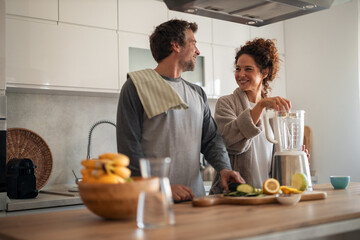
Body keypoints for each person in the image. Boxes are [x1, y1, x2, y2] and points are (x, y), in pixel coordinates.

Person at [116, 19, 243, 202]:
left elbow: (211, 139)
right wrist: (162, 187)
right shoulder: (135, 87)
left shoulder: (197, 93)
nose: (197, 51)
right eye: (193, 44)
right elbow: (129, 151)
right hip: (154, 201)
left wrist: (224, 168)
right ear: (175, 45)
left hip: (195, 201)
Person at [210, 38, 291, 194]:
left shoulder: (274, 111)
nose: (241, 74)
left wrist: (296, 158)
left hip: (267, 193)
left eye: (248, 69)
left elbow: (280, 156)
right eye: (238, 68)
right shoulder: (226, 103)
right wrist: (260, 106)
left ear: (264, 72)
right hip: (235, 195)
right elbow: (229, 141)